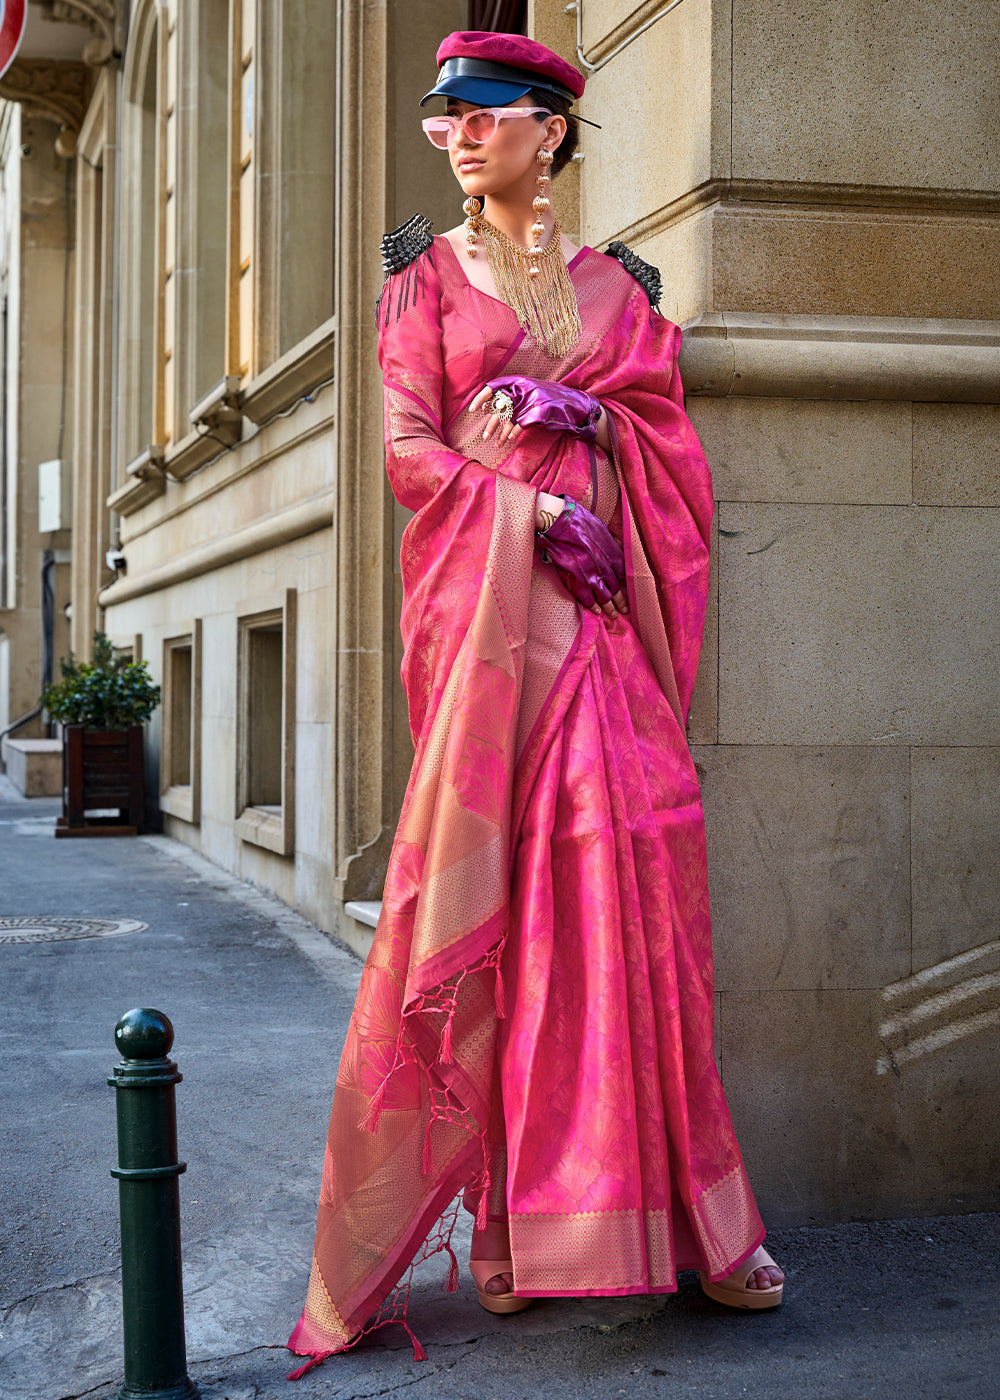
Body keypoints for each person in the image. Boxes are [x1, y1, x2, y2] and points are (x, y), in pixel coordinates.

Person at [288, 30, 783, 1375]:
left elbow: (663, 428)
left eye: (481, 113)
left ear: (548, 131)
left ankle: (700, 1225)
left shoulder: (616, 290)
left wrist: (593, 434)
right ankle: (506, 1234)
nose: (453, 134)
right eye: (444, 116)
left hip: (603, 632)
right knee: (503, 925)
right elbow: (402, 451)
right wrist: (523, 507)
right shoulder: (418, 288)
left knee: (639, 909)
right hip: (496, 640)